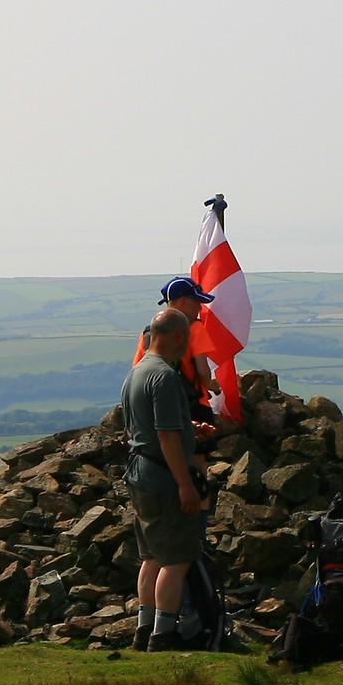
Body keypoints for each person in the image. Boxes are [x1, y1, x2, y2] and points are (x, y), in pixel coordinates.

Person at [122, 307, 209, 652]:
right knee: (176, 559)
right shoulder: (166, 377)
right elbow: (166, 437)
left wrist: (190, 431)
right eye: (186, 336)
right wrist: (185, 484)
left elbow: (138, 428)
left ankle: (144, 630)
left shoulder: (136, 372)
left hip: (139, 474)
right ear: (178, 336)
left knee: (151, 557)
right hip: (163, 478)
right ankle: (164, 635)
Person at [132, 276, 223, 432]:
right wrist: (211, 385)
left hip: (155, 406)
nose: (200, 308)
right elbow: (202, 370)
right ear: (183, 301)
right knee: (196, 454)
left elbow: (138, 369)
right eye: (197, 302)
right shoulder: (195, 328)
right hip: (193, 405)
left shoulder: (149, 333)